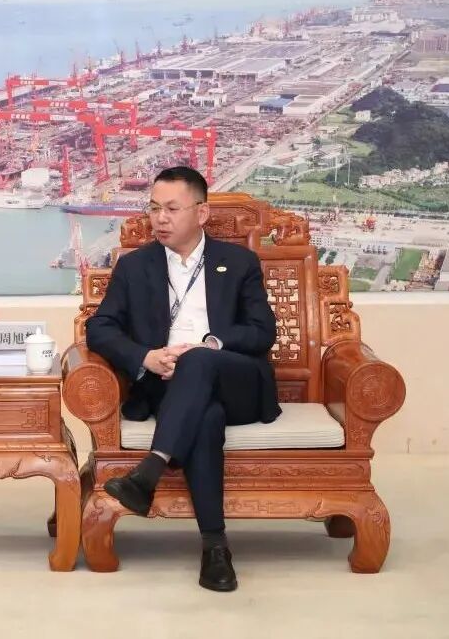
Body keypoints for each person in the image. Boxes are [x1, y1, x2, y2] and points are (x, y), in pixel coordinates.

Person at [86, 165, 280, 592]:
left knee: (198, 361)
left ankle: (149, 471)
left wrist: (211, 344)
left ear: (201, 213)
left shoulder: (239, 262)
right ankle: (215, 549)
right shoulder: (135, 267)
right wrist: (147, 358)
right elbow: (99, 329)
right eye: (154, 208)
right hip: (169, 387)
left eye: (172, 209)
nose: (160, 218)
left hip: (236, 380)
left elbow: (262, 331)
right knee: (205, 418)